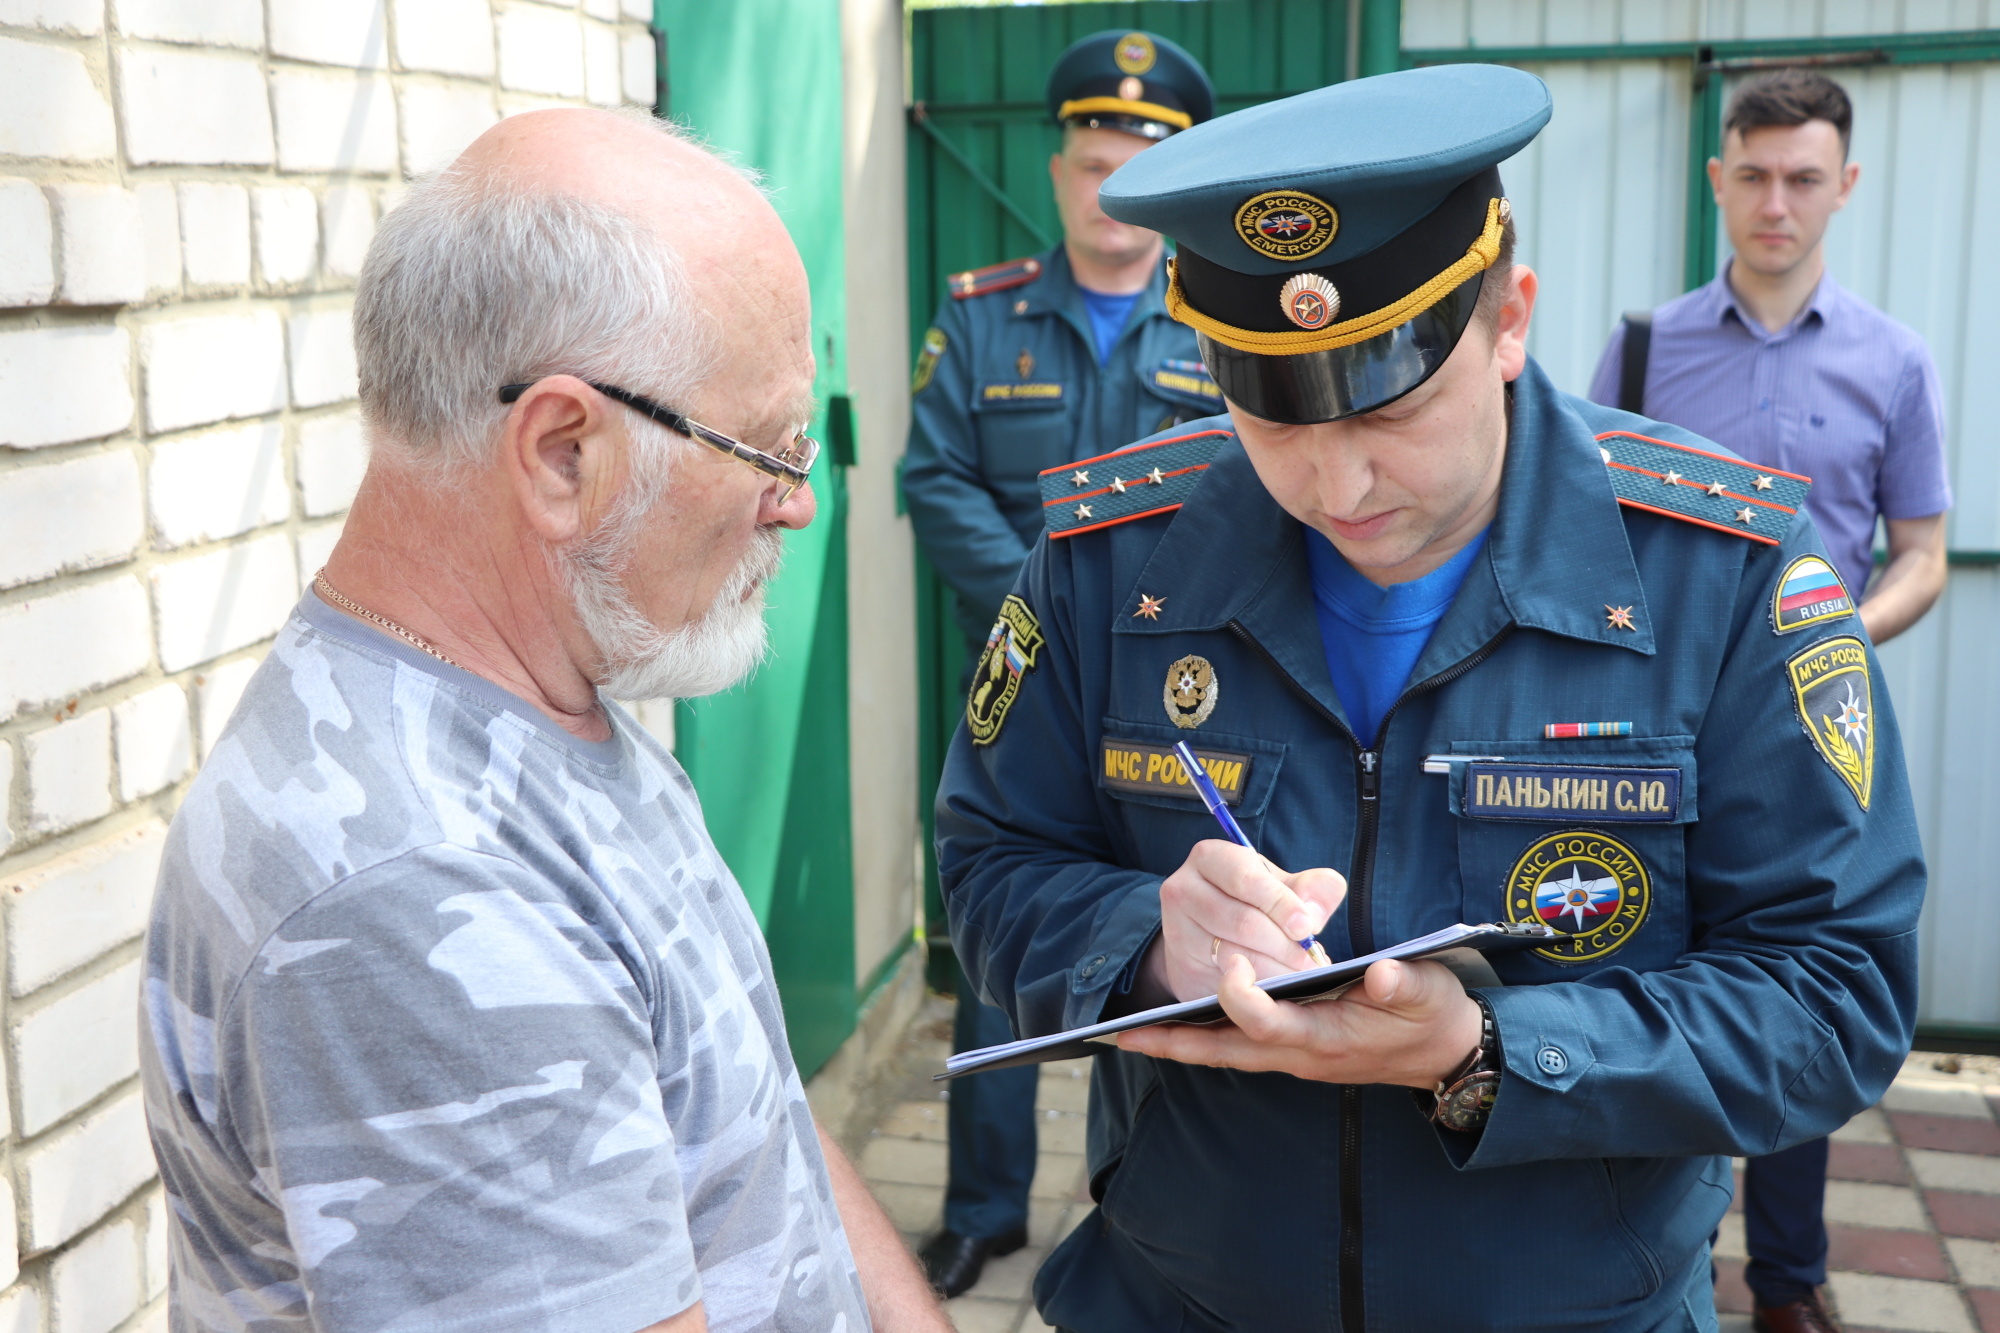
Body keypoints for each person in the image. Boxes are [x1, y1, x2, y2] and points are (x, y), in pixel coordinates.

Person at [936, 64, 1925, 1332]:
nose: (1336, 482)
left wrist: (1484, 1055)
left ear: (1508, 319)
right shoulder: (1104, 558)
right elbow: (988, 861)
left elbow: (1835, 987)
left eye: (1392, 406)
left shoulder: (1721, 573)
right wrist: (1141, 944)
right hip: (1174, 1297)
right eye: (1270, 413)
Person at [138, 108, 949, 1333]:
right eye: (766, 450)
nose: (793, 504)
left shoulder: (540, 700)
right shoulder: (416, 899)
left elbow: (755, 1124)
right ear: (562, 452)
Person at [1587, 69, 1953, 1333]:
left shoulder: (1892, 362)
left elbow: (1918, 548)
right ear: (1716, 180)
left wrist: (1831, 638)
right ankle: (1633, 1243)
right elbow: (1584, 532)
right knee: (1654, 969)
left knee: (1796, 978)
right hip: (1653, 728)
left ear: (1841, 186)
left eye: (1802, 178)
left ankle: (1785, 1281)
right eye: (1751, 175)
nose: (1774, 203)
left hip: (1808, 741)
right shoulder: (1640, 351)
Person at [898, 28, 1216, 1300]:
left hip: (1178, 699)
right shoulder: (981, 318)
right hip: (1021, 694)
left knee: (1160, 951)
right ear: (1058, 169)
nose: (1107, 186)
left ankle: (1142, 1211)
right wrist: (1049, 610)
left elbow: (1240, 497)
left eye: (1135, 164)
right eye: (1090, 160)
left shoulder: (1221, 317)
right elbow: (936, 482)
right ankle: (984, 1208)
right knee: (1002, 949)